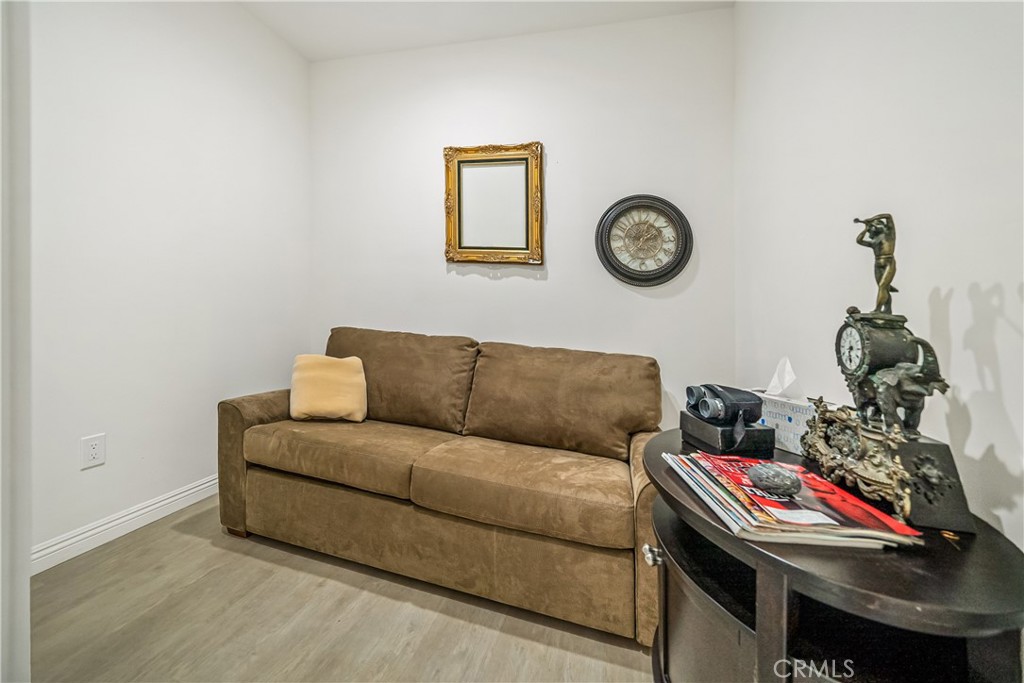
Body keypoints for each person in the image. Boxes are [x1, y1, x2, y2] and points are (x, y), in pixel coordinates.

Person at [854, 213, 897, 314]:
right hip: (877, 264)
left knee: (882, 286)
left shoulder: (889, 234)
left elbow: (888, 216)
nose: (873, 227)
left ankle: (877, 309)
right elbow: (859, 240)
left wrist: (871, 218)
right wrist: (866, 227)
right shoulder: (874, 241)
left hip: (888, 263)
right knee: (883, 288)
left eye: (875, 225)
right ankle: (887, 309)